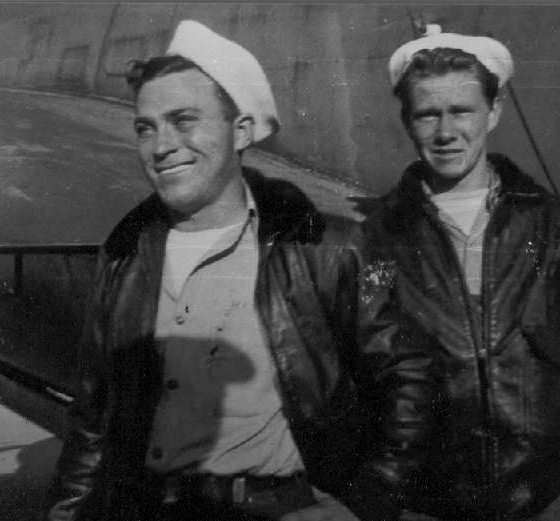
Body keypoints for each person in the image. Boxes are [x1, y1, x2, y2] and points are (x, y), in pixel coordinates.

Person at [43, 20, 432, 521]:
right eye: (146, 127)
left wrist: (366, 504)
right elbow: (92, 421)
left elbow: (410, 378)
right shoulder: (124, 254)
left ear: (241, 130)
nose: (161, 146)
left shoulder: (328, 246)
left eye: (184, 120)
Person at [361, 25, 560, 521]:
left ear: (493, 112)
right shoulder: (379, 234)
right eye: (427, 114)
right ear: (407, 120)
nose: (445, 132)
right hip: (426, 505)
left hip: (540, 498)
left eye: (462, 111)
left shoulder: (550, 223)